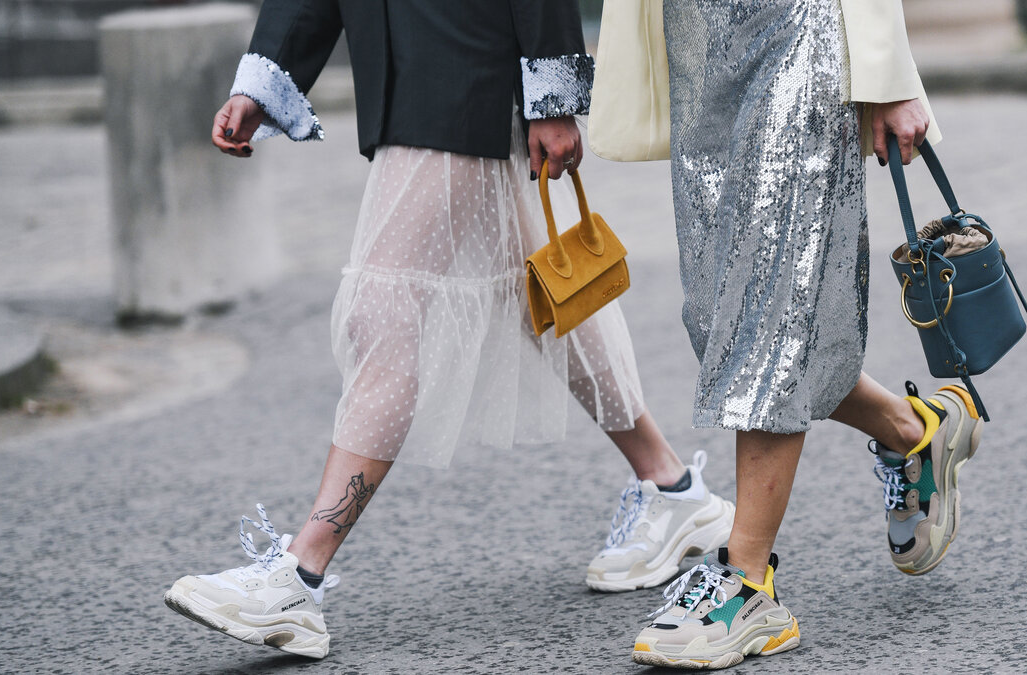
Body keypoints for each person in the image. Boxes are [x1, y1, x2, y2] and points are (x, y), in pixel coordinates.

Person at [162, 1, 735, 660]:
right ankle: (672, 487)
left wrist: (550, 97)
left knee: (383, 311)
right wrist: (263, 80)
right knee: (544, 293)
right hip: (414, 75)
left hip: (466, 66)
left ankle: (300, 572)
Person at [626, 1, 985, 669]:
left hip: (796, 28)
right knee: (726, 321)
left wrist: (891, 72)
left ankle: (747, 583)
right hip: (699, 39)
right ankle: (915, 432)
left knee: (770, 310)